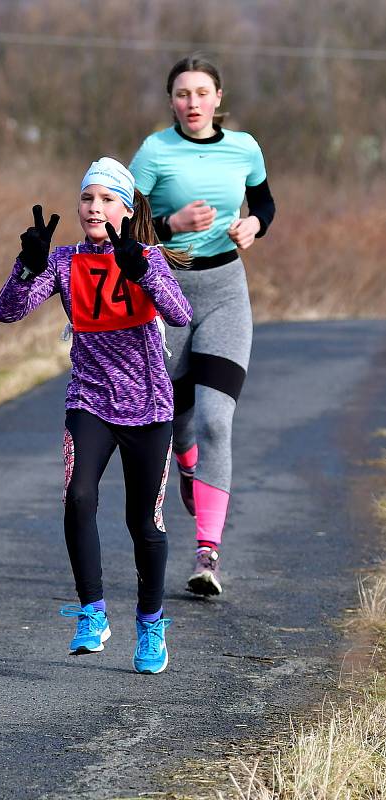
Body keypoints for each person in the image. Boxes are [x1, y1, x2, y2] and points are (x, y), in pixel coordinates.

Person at [0, 157, 192, 674]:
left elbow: (179, 313)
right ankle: (92, 613)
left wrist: (142, 269)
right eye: (87, 198)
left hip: (148, 408)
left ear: (126, 210)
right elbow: (8, 311)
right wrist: (27, 266)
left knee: (142, 523)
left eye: (106, 199)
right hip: (90, 401)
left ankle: (150, 624)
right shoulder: (63, 262)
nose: (93, 208)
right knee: (78, 496)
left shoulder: (147, 256)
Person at [129, 54, 276, 597]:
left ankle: (207, 553)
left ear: (219, 98)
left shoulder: (244, 147)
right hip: (165, 295)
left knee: (217, 420)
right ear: (171, 101)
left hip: (225, 294)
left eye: (202, 92)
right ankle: (187, 463)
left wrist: (254, 225)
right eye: (182, 93)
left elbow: (263, 199)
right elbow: (123, 222)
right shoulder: (153, 151)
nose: (192, 103)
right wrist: (171, 223)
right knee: (176, 423)